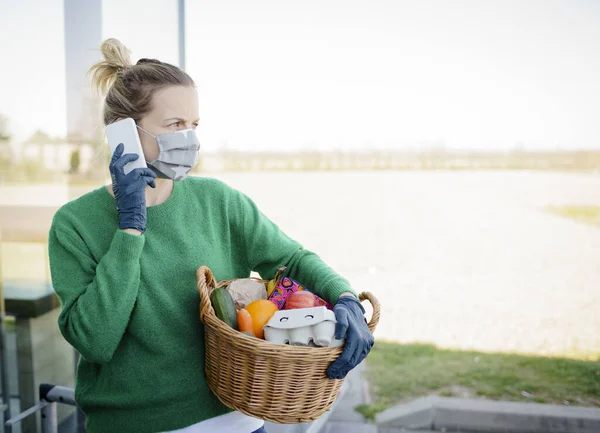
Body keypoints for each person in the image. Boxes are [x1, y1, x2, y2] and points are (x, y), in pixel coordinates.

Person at [48, 38, 374, 433]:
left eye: (194, 125)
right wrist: (130, 228)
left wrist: (343, 296)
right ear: (124, 134)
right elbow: (95, 340)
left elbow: (292, 258)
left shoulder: (219, 201)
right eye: (173, 125)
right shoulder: (75, 224)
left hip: (239, 421)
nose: (189, 139)